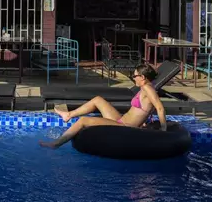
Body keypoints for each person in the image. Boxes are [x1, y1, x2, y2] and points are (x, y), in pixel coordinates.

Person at [39, 64, 167, 149]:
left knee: (84, 121)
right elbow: (148, 108)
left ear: (142, 77)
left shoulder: (147, 89)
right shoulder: (145, 88)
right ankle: (69, 115)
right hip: (121, 120)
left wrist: (163, 129)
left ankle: (56, 144)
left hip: (125, 127)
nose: (133, 78)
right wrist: (144, 122)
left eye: (134, 76)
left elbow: (160, 108)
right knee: (98, 100)